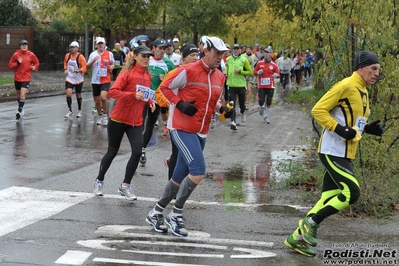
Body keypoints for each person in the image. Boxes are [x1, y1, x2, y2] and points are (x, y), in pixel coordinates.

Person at [284, 51, 384, 257]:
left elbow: (353, 123)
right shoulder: (345, 85)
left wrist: (368, 129)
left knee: (328, 198)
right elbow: (318, 110)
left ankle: (295, 239)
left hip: (346, 152)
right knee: (352, 192)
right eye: (374, 69)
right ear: (362, 67)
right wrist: (338, 129)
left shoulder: (363, 91)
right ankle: (311, 223)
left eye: (378, 70)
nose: (376, 74)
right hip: (332, 150)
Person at [145, 36, 232, 237]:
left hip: (201, 131)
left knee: (178, 177)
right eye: (217, 53)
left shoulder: (219, 76)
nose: (220, 57)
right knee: (198, 170)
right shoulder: (188, 70)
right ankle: (175, 214)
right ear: (205, 50)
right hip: (181, 128)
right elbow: (163, 89)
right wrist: (179, 103)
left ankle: (156, 211)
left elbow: (214, 101)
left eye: (222, 54)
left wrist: (223, 110)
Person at [93, 46, 156, 199]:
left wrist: (149, 101)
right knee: (112, 151)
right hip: (119, 118)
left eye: (149, 56)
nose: (147, 59)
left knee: (137, 152)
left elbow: (144, 94)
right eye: (144, 56)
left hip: (136, 121)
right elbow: (113, 92)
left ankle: (125, 186)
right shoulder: (126, 73)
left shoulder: (148, 75)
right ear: (135, 56)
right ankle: (99, 180)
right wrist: (132, 95)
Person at [155, 43, 199, 180]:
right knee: (177, 152)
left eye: (197, 55)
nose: (195, 58)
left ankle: (175, 170)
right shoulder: (175, 72)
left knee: (189, 154)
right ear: (183, 58)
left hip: (194, 120)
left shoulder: (199, 74)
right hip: (176, 120)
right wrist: (173, 103)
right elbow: (160, 92)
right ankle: (172, 190)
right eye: (192, 55)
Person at [140, 38, 175, 166]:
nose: (162, 51)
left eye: (164, 49)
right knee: (139, 124)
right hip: (143, 97)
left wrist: (165, 79)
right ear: (153, 48)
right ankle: (138, 149)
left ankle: (143, 150)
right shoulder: (145, 60)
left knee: (150, 124)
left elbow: (174, 82)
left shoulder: (169, 64)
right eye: (160, 48)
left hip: (157, 99)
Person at [8, 39, 40, 120]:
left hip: (26, 77)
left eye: (26, 45)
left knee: (22, 94)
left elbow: (37, 63)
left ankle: (19, 111)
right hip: (17, 77)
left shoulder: (31, 55)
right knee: (18, 95)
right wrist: (17, 63)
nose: (24, 46)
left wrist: (34, 67)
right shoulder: (16, 55)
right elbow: (10, 65)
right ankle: (21, 108)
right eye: (23, 45)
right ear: (20, 46)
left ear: (27, 46)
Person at [86, 37, 115, 126]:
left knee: (103, 97)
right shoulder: (93, 54)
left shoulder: (109, 54)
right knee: (97, 101)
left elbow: (113, 63)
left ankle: (105, 115)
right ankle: (100, 116)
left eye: (102, 43)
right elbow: (87, 67)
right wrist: (93, 61)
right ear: (96, 45)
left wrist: (112, 67)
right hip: (95, 80)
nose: (100, 45)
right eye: (99, 44)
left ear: (104, 44)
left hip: (105, 79)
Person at [225, 43, 252, 130]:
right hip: (231, 85)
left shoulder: (244, 60)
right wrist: (225, 72)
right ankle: (233, 122)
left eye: (238, 49)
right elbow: (227, 69)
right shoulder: (228, 59)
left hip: (241, 85)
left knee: (241, 104)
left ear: (240, 50)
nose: (236, 51)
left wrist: (240, 71)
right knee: (232, 104)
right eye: (235, 49)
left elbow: (250, 72)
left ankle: (242, 112)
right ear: (233, 50)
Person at [253, 46, 279, 124]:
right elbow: (254, 72)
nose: (266, 54)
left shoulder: (274, 64)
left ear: (271, 54)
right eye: (265, 52)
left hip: (270, 86)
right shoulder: (259, 63)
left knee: (269, 102)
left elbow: (278, 74)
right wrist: (258, 72)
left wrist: (276, 75)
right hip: (261, 85)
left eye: (268, 53)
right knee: (261, 101)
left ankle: (266, 117)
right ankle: (261, 107)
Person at [63, 41, 87, 118]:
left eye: (73, 47)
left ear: (77, 48)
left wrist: (77, 71)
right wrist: (65, 69)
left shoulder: (80, 57)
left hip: (78, 79)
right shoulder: (67, 55)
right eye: (71, 47)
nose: (72, 49)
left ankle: (79, 110)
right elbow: (65, 63)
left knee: (78, 94)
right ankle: (70, 110)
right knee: (68, 93)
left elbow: (84, 67)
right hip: (69, 78)